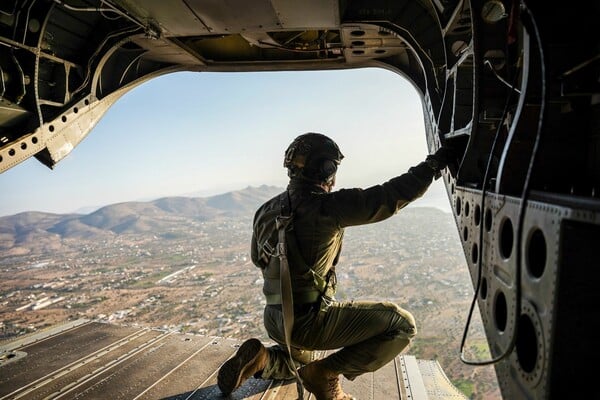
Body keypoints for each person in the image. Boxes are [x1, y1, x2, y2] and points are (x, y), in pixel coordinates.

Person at [217, 132, 454, 400]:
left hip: (275, 318)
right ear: (327, 169)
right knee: (402, 324)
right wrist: (434, 164)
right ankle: (326, 374)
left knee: (301, 358)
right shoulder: (329, 207)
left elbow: (257, 258)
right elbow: (390, 196)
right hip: (308, 322)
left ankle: (260, 360)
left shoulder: (265, 210)